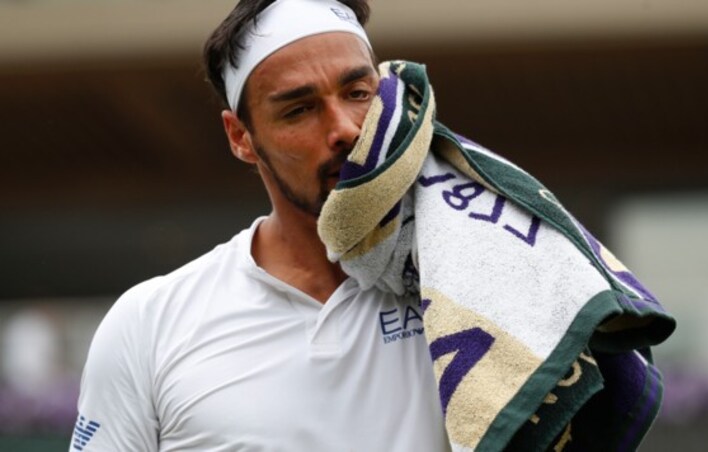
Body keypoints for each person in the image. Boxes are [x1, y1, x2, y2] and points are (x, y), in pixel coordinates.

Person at [70, 0, 451, 450]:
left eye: (357, 93)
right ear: (240, 138)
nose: (345, 128)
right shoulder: (150, 324)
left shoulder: (473, 278)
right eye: (300, 109)